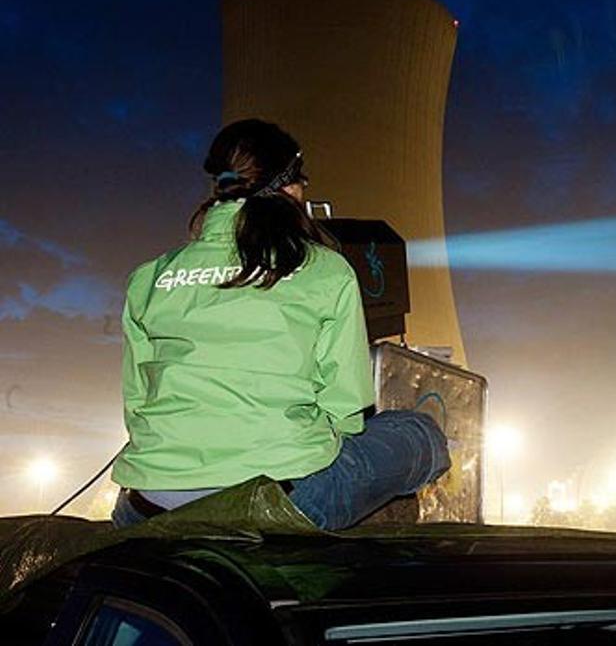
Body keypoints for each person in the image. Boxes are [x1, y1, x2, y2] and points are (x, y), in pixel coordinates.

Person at [110, 119, 449, 529]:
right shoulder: (325, 270)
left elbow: (137, 402)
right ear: (290, 188)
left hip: (148, 507)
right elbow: (346, 412)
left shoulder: (150, 277)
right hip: (282, 501)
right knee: (419, 433)